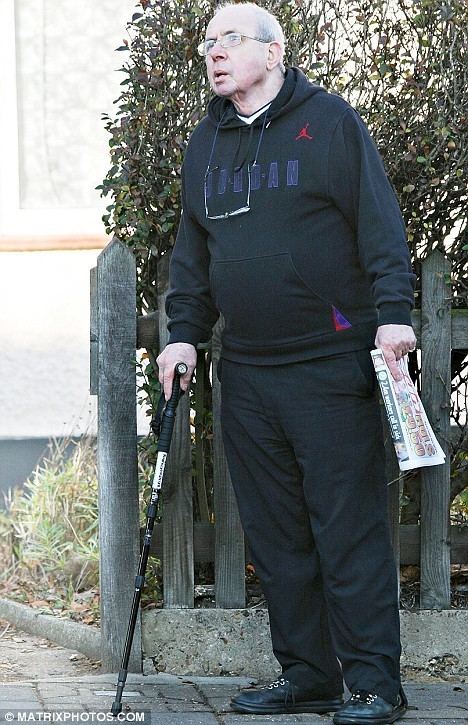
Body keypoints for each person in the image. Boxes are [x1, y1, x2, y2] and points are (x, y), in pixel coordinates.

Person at [156, 2, 417, 723]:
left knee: (348, 528)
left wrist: (393, 315)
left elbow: (379, 224)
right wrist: (183, 334)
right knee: (276, 534)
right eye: (208, 42)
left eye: (230, 40)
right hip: (246, 370)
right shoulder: (203, 146)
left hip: (330, 362)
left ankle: (374, 684)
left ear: (273, 53)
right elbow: (192, 257)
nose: (213, 53)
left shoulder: (329, 124)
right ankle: (308, 674)